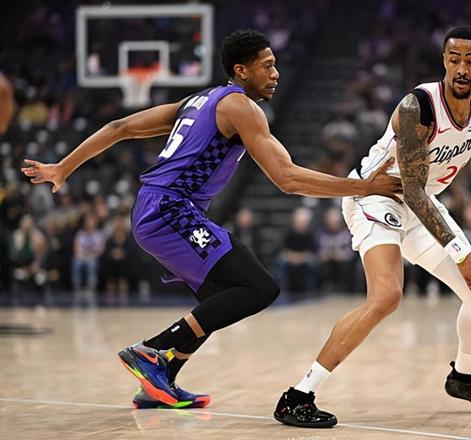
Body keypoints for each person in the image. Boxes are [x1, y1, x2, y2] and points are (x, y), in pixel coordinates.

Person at [21, 29, 401, 409]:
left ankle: (159, 381)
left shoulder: (198, 101)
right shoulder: (240, 107)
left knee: (218, 299)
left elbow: (119, 128)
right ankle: (153, 350)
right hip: (170, 209)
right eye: (267, 66)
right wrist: (363, 187)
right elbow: (287, 179)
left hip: (156, 208)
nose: (276, 74)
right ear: (241, 70)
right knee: (260, 287)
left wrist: (63, 167)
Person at [274, 26, 471, 428]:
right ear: (444, 61)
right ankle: (298, 395)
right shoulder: (418, 107)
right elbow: (414, 189)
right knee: (386, 296)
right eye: (454, 59)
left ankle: (464, 376)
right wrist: (460, 251)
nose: (462, 68)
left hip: (420, 205)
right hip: (376, 196)